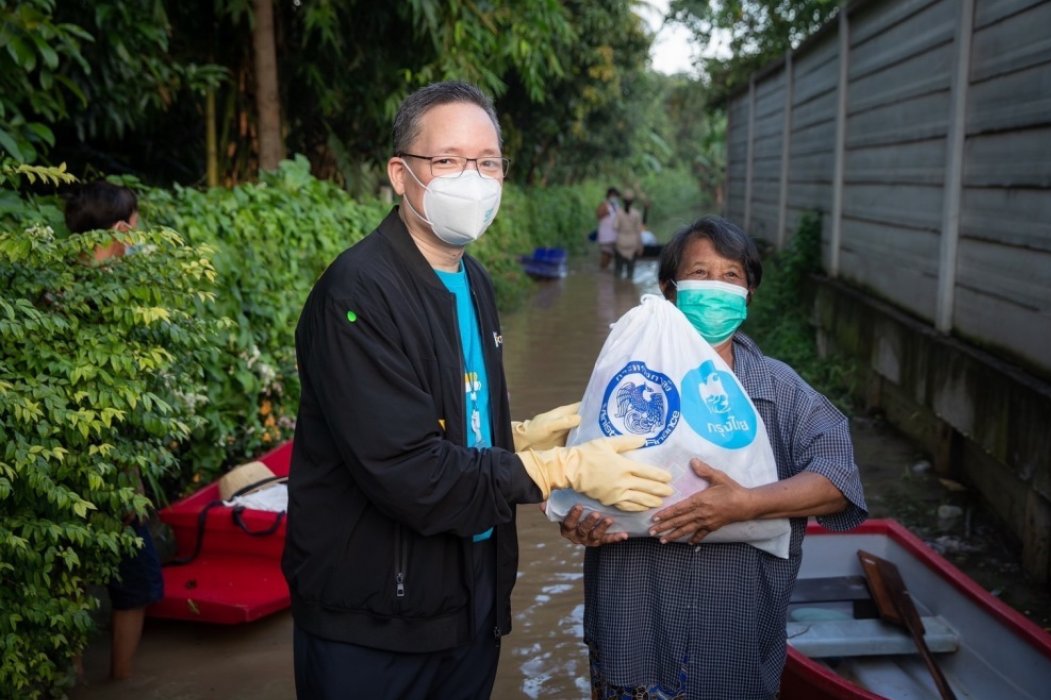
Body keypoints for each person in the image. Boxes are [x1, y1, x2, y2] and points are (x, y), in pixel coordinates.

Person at [283, 81, 673, 700]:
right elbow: (408, 470)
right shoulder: (357, 297)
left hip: (470, 603)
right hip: (377, 626)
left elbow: (439, 422)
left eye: (488, 162)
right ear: (401, 174)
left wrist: (513, 438)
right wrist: (551, 468)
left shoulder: (476, 282)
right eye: (448, 161)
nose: (473, 178)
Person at [560, 216, 868, 699]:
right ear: (669, 290)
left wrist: (746, 503)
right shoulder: (625, 384)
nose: (716, 288)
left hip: (736, 640)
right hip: (633, 634)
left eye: (731, 277)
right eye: (700, 274)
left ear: (748, 295)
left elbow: (838, 480)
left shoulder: (779, 391)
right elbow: (576, 480)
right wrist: (578, 520)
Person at [64, 181, 163, 681]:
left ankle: (74, 677)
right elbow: (119, 406)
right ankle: (121, 681)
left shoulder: (53, 291)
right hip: (112, 472)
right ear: (123, 228)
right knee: (136, 578)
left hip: (59, 474)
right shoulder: (122, 302)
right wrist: (132, 480)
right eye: (138, 223)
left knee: (73, 575)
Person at [613, 189, 643, 280]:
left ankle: (618, 290)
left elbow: (615, 227)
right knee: (630, 271)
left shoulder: (618, 213)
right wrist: (640, 246)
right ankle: (629, 289)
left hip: (620, 242)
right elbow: (638, 231)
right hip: (632, 242)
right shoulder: (636, 214)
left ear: (623, 201)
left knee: (618, 270)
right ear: (632, 201)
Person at [595, 186, 621, 270]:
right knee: (605, 253)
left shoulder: (616, 206)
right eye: (614, 196)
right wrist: (605, 211)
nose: (615, 198)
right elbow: (598, 215)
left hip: (614, 235)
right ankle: (602, 272)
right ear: (610, 195)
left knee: (610, 255)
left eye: (617, 196)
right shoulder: (604, 204)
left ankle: (604, 273)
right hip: (606, 235)